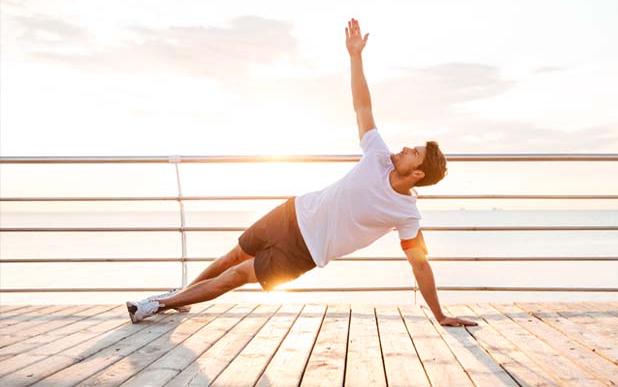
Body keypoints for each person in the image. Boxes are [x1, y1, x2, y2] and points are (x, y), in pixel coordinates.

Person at [126, 18, 476, 327]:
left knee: (235, 276)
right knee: (233, 256)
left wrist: (440, 314)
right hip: (292, 212)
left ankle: (155, 304)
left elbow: (420, 266)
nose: (403, 149)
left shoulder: (406, 214)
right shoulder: (378, 156)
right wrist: (355, 57)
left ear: (417, 175)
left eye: (412, 153)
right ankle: (178, 298)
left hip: (303, 251)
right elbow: (362, 105)